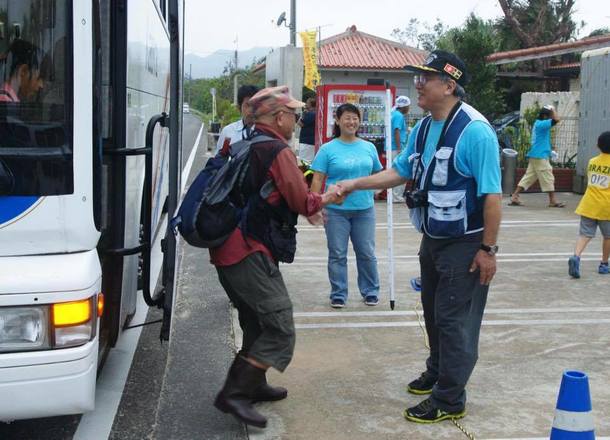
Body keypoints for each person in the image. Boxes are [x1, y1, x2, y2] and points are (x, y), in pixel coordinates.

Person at [336, 50, 502, 423]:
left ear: (449, 84)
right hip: (433, 237)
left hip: (466, 241)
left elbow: (492, 196)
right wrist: (354, 184)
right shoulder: (425, 127)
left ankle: (449, 398)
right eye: (418, 76)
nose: (418, 83)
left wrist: (487, 250)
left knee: (454, 320)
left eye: (426, 77)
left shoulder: (475, 131)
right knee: (432, 311)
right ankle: (438, 371)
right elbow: (397, 171)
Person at [211, 85, 342, 429]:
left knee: (256, 320)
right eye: (295, 116)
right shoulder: (276, 150)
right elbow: (303, 201)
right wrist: (328, 197)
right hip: (248, 249)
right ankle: (234, 393)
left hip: (228, 247)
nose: (298, 121)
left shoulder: (243, 144)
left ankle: (254, 383)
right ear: (279, 117)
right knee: (280, 323)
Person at [310, 103, 383, 308]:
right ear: (338, 120)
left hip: (364, 210)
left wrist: (376, 191)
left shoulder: (368, 147)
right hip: (335, 212)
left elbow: (378, 174)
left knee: (366, 252)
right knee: (337, 253)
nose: (352, 122)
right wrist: (315, 205)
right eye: (347, 118)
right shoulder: (327, 149)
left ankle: (370, 291)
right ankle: (338, 294)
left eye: (355, 118)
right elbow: (317, 180)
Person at [568, 131, 610, 278]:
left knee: (585, 234)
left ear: (598, 145)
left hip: (589, 203)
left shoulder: (592, 162)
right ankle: (604, 264)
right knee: (608, 236)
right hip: (606, 206)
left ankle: (576, 256)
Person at [509, 105, 566, 207]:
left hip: (537, 154)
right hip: (540, 156)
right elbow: (556, 119)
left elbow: (543, 138)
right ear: (545, 116)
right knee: (548, 176)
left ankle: (514, 196)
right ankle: (552, 201)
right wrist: (552, 109)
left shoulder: (539, 124)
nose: (550, 118)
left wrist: (550, 150)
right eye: (549, 116)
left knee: (529, 177)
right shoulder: (541, 124)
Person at [215, 84, 260, 154]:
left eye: (255, 105)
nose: (251, 110)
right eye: (247, 105)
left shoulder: (266, 133)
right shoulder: (228, 132)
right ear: (239, 108)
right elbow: (218, 161)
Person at [390, 95, 411, 202]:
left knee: (394, 171)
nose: (409, 108)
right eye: (408, 106)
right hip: (397, 147)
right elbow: (396, 131)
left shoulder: (393, 113)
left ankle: (394, 196)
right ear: (404, 106)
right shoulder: (399, 116)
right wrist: (399, 148)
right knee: (401, 171)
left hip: (391, 147)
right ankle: (397, 197)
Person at [297, 96, 316, 162]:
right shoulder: (314, 113)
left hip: (307, 142)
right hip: (311, 141)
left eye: (307, 103)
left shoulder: (311, 114)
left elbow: (300, 123)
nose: (306, 104)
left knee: (304, 161)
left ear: (311, 104)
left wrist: (303, 114)